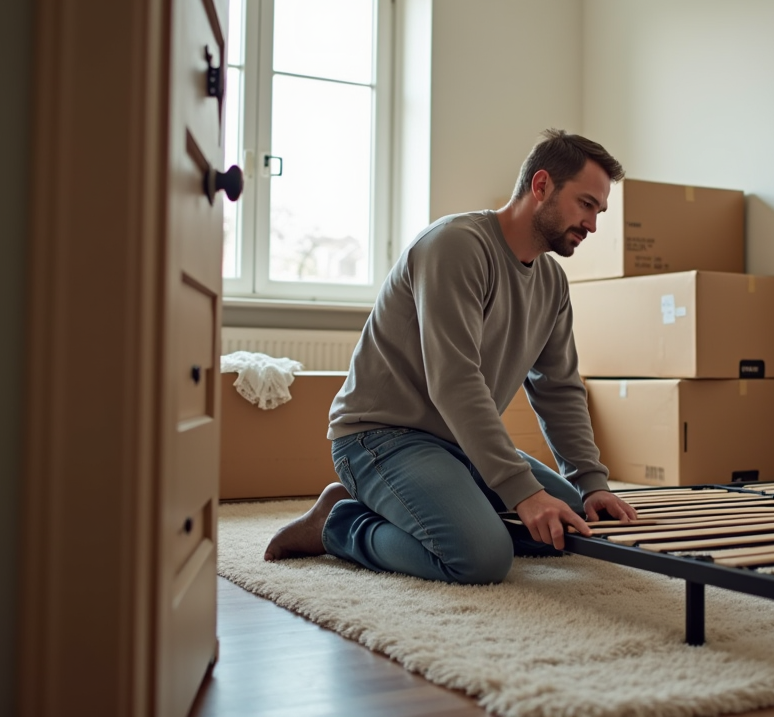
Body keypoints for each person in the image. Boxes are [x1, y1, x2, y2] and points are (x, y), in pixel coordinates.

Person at [263, 128, 638, 584]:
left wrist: (592, 482)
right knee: (481, 558)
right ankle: (338, 525)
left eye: (598, 211)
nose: (593, 225)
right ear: (541, 187)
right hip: (382, 437)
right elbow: (455, 381)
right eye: (586, 204)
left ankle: (428, 507)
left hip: (456, 446)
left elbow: (559, 389)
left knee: (573, 520)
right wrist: (522, 491)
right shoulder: (456, 246)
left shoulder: (552, 284)